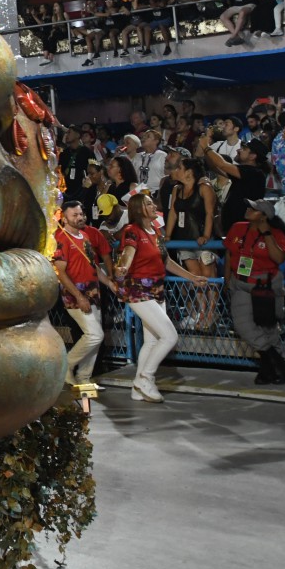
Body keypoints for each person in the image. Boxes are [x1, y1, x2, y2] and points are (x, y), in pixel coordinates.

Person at [113, 191, 208, 402]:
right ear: (139, 209)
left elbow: (166, 262)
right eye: (149, 204)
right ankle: (146, 378)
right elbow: (128, 253)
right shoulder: (132, 231)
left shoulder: (155, 230)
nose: (154, 206)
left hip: (157, 291)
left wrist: (192, 277)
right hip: (139, 291)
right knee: (169, 336)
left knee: (153, 340)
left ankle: (138, 386)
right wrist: (123, 268)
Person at [223, 199, 285, 384]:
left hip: (266, 285)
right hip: (241, 283)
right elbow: (229, 254)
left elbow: (278, 258)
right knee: (243, 325)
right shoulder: (238, 228)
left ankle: (268, 369)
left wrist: (267, 233)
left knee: (268, 328)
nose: (248, 209)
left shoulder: (275, 233)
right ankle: (278, 362)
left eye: (253, 209)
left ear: (263, 216)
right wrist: (227, 280)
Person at [53, 200, 116, 384]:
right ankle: (66, 366)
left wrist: (108, 283)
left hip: (93, 292)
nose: (80, 217)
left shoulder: (84, 236)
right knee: (95, 335)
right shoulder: (61, 239)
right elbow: (60, 272)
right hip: (76, 295)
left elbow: (93, 265)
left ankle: (84, 377)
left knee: (94, 338)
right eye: (75, 215)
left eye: (81, 214)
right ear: (64, 218)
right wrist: (79, 296)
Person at [164, 157, 218, 330]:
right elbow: (173, 212)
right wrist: (168, 235)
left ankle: (212, 312)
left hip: (203, 241)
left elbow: (210, 214)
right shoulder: (176, 189)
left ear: (188, 171)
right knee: (195, 277)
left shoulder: (204, 188)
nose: (175, 169)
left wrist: (206, 236)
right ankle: (202, 311)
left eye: (179, 167)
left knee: (208, 275)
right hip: (184, 240)